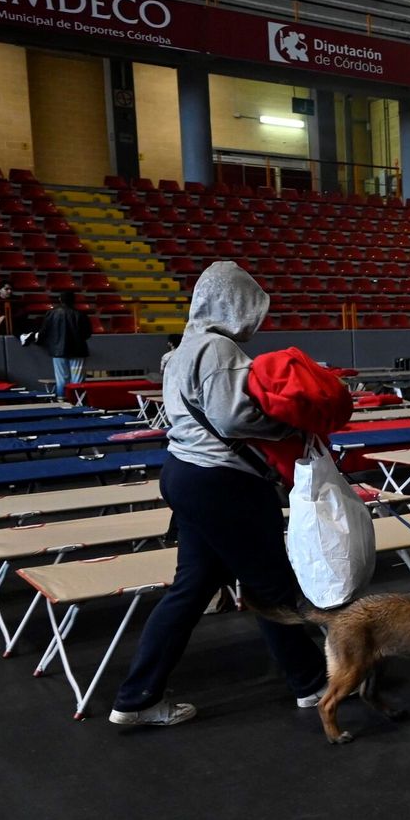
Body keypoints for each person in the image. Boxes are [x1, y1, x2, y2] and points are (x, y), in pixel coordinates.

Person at [108, 261, 327, 727]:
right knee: (270, 587)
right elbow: (233, 420)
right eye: (251, 306)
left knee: (192, 588)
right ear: (233, 304)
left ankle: (136, 698)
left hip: (185, 473)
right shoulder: (218, 349)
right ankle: (312, 683)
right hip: (224, 482)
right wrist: (293, 424)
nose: (255, 318)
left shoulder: (184, 349)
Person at [38, 290, 93, 398]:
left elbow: (44, 332)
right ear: (74, 300)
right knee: (77, 379)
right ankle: (77, 400)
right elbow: (87, 333)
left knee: (61, 378)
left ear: (60, 300)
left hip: (58, 351)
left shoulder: (51, 313)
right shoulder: (80, 314)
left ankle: (62, 400)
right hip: (78, 350)